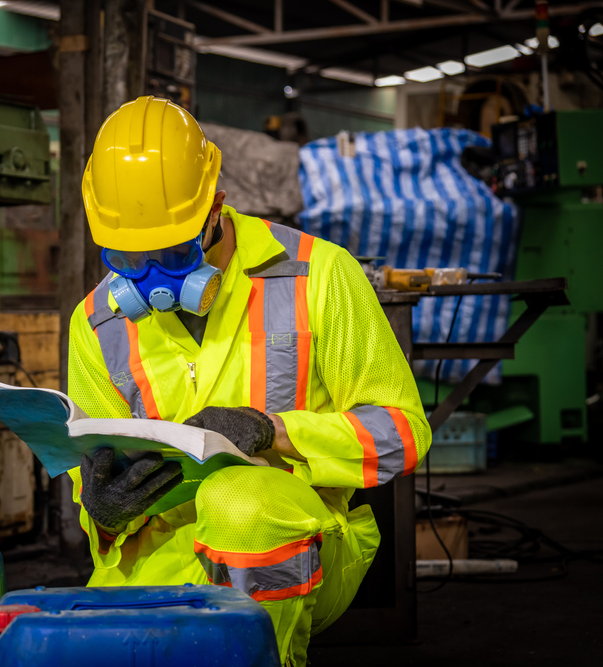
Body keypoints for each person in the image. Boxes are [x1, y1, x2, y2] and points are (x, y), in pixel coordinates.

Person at [67, 95, 431, 667]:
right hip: (163, 554)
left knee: (239, 501)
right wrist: (101, 511)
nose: (152, 278)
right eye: (130, 259)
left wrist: (272, 431)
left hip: (296, 548)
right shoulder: (97, 323)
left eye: (172, 252)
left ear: (216, 207)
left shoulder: (318, 275)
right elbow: (88, 462)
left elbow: (402, 433)